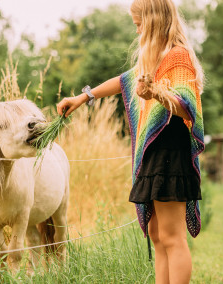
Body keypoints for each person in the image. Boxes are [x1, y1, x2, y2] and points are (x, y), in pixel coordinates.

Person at [56, 0, 205, 283]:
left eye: (138, 26)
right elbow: (124, 80)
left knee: (172, 237)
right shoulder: (152, 62)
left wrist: (156, 94)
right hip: (153, 154)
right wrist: (82, 97)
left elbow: (187, 107)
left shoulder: (178, 56)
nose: (137, 33)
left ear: (151, 22)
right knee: (157, 236)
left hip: (171, 152)